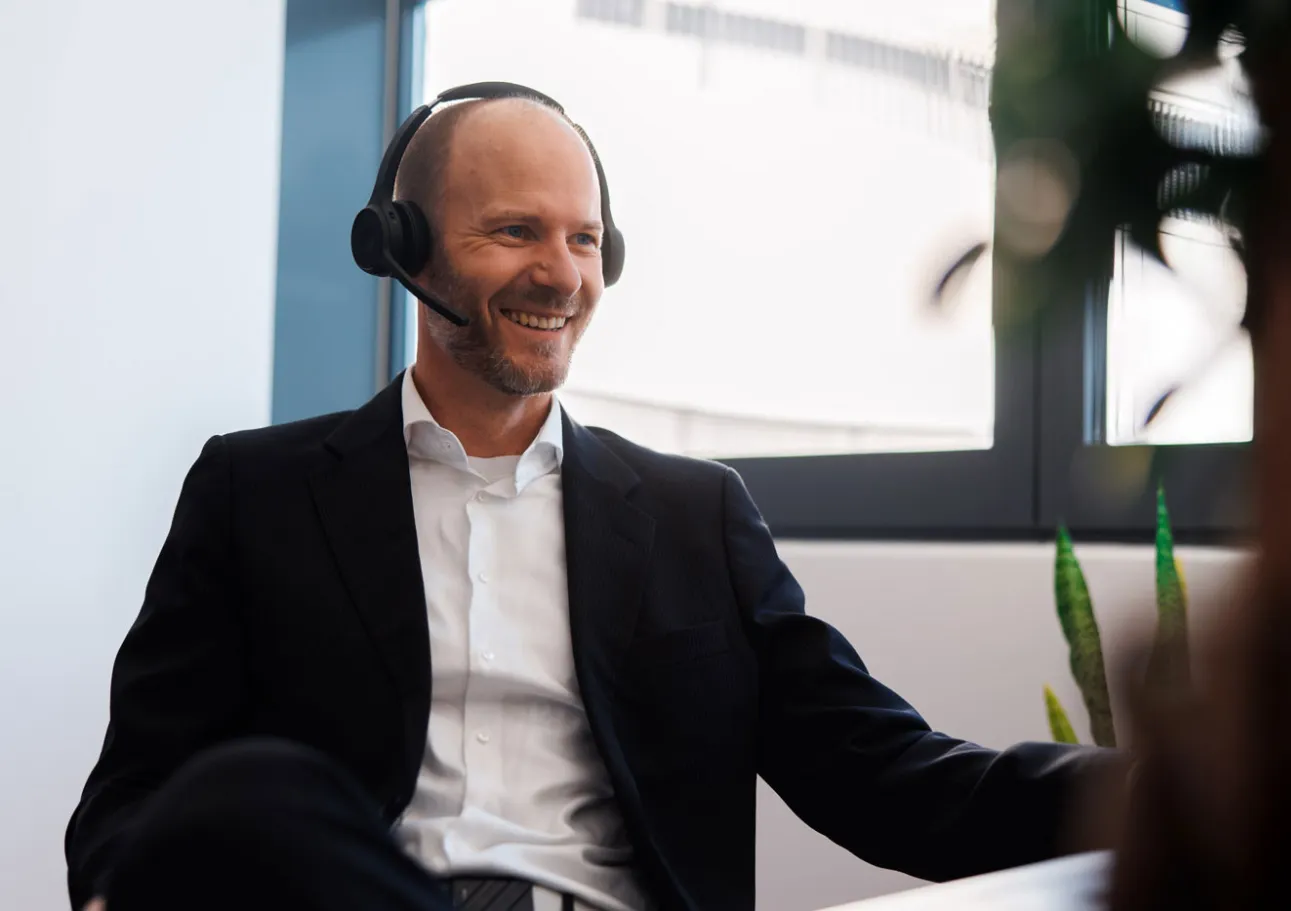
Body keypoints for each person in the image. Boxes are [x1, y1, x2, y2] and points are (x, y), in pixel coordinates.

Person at [66, 87, 1126, 911]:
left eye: (583, 238)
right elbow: (134, 797)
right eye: (515, 231)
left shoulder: (695, 516)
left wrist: (1154, 793)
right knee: (252, 797)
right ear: (403, 249)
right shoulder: (257, 493)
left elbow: (885, 770)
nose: (562, 274)